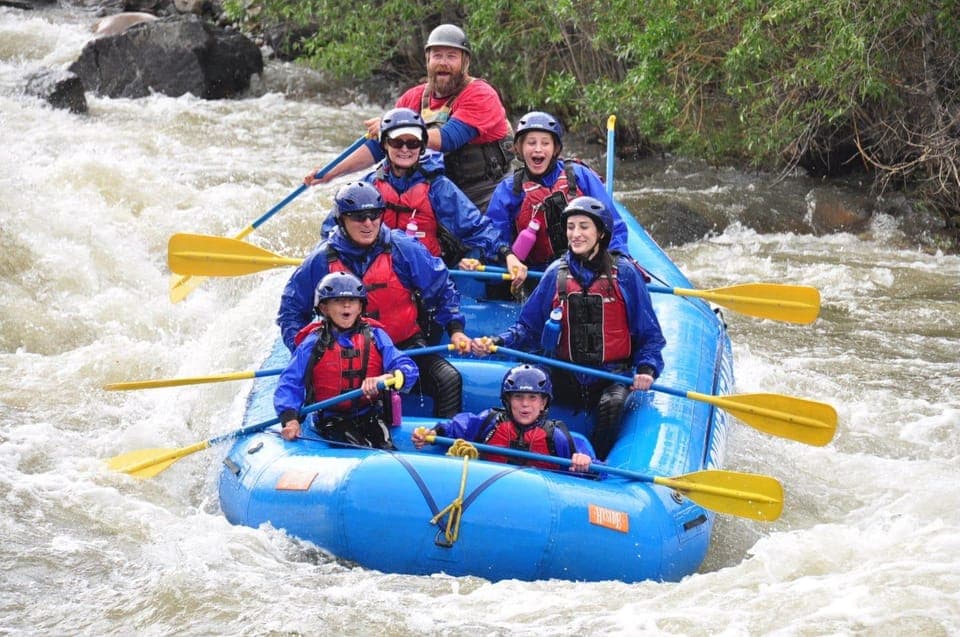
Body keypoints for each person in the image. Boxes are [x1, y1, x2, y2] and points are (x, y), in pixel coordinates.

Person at [470, 196, 666, 460]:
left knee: (612, 404)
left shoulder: (625, 275)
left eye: (584, 227)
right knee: (526, 388)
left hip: (609, 376)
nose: (576, 234)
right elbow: (527, 328)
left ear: (601, 233)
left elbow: (650, 335)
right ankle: (529, 454)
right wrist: (497, 342)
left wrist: (646, 368)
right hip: (565, 373)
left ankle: (596, 463)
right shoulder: (555, 273)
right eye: (571, 227)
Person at [278, 181, 470, 418]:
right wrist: (307, 355)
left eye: (374, 215)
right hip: (343, 351)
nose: (368, 223)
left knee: (448, 380)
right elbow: (291, 310)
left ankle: (448, 445)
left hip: (403, 348)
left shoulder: (403, 248)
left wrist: (455, 328)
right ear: (342, 220)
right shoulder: (320, 260)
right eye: (358, 217)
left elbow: (441, 288)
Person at [305, 24, 513, 212]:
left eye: (452, 56)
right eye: (437, 56)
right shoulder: (412, 98)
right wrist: (331, 173)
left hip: (486, 192)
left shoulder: (481, 94)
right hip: (437, 192)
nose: (443, 63)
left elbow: (449, 139)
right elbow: (378, 147)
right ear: (428, 60)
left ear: (465, 62)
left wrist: (395, 125)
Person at [320, 107, 527, 282]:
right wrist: (325, 257)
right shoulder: (369, 186)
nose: (405, 149)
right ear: (384, 144)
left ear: (421, 147)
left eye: (412, 143)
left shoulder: (438, 187)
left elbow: (476, 228)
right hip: (375, 277)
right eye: (396, 142)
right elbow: (333, 230)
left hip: (424, 278)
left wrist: (507, 254)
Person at [274, 271, 419, 448]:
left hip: (370, 413)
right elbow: (290, 382)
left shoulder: (376, 335)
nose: (346, 306)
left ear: (360, 307)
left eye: (352, 301)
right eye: (338, 301)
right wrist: (290, 420)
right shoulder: (312, 343)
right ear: (324, 308)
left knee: (386, 447)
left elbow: (406, 366)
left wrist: (388, 377)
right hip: (331, 417)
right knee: (357, 446)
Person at [485, 111, 629, 273]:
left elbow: (613, 224)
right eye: (531, 143)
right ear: (519, 148)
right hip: (536, 274)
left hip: (587, 268)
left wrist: (617, 256)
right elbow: (494, 237)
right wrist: (507, 256)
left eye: (545, 143)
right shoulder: (509, 190)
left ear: (555, 149)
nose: (538, 149)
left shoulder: (580, 175)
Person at [412, 364, 594, 472]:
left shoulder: (557, 436)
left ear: (543, 403)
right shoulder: (489, 421)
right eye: (518, 397)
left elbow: (595, 470)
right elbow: (453, 428)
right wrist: (432, 433)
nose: (525, 404)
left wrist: (584, 464)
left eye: (533, 398)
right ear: (507, 400)